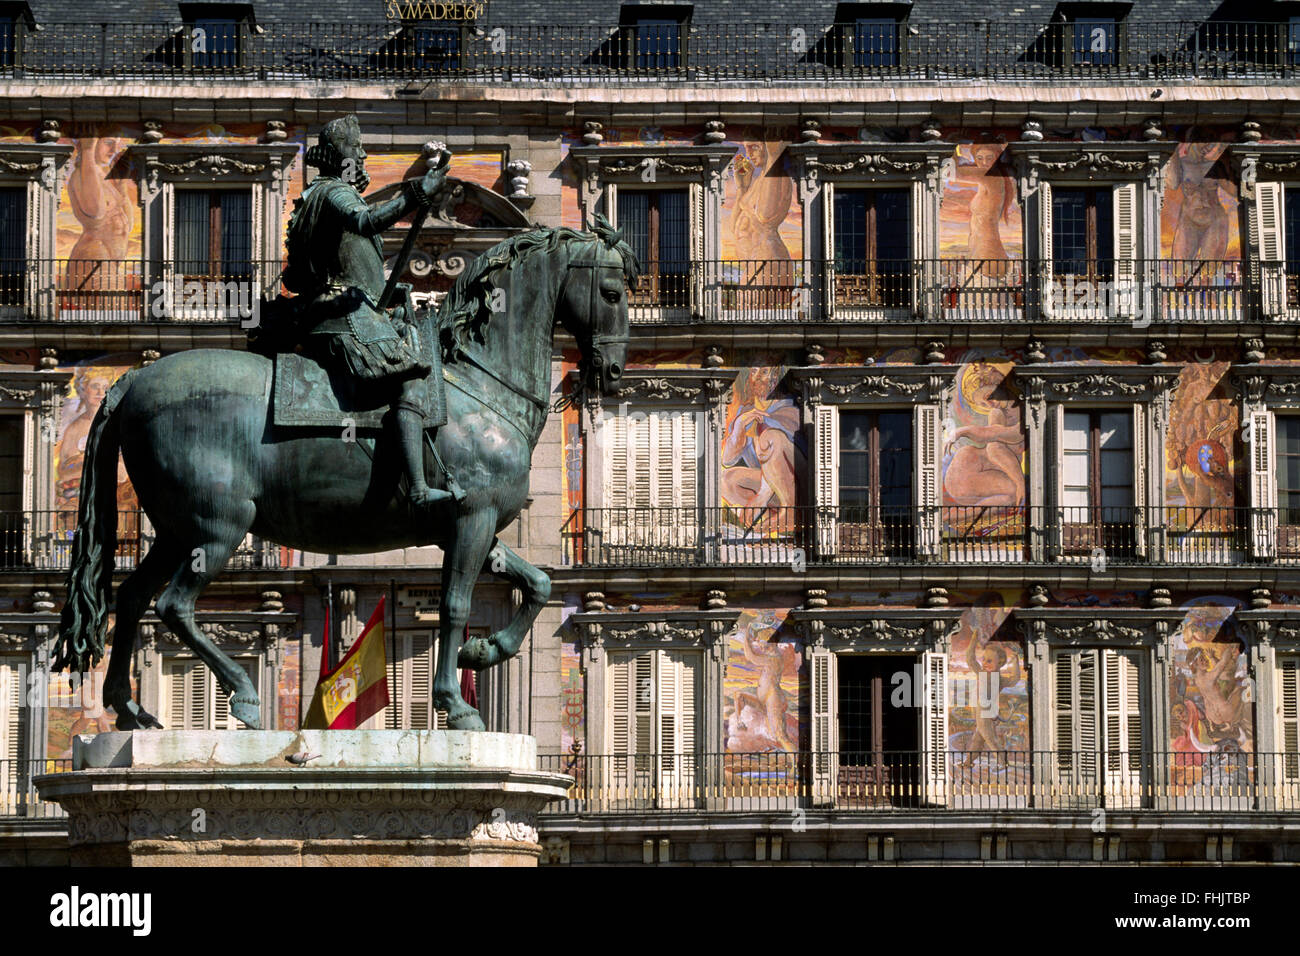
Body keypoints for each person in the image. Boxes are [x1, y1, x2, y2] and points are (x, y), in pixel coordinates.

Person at [283, 116, 461, 510]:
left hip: (344, 304)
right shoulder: (333, 192)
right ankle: (416, 488)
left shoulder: (325, 194)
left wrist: (389, 290)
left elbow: (353, 269)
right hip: (340, 314)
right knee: (410, 376)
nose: (362, 155)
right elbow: (365, 222)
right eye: (356, 148)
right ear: (337, 157)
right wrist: (417, 193)